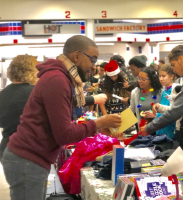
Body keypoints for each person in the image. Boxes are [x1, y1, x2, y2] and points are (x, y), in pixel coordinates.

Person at [1, 35, 122, 200]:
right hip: (27, 160)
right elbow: (64, 134)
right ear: (77, 56)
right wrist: (98, 123)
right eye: (92, 60)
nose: (94, 67)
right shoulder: (57, 80)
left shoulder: (60, 78)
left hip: (30, 158)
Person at [0, 55, 38, 161]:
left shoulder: (2, 94)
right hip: (31, 149)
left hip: (6, 149)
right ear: (32, 71)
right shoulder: (37, 92)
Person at [153, 64, 180, 139]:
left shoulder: (176, 90)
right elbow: (162, 110)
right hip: (161, 128)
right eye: (160, 76)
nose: (161, 79)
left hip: (170, 130)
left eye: (163, 76)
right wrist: (154, 115)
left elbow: (174, 110)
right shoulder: (164, 91)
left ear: (171, 76)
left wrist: (159, 108)